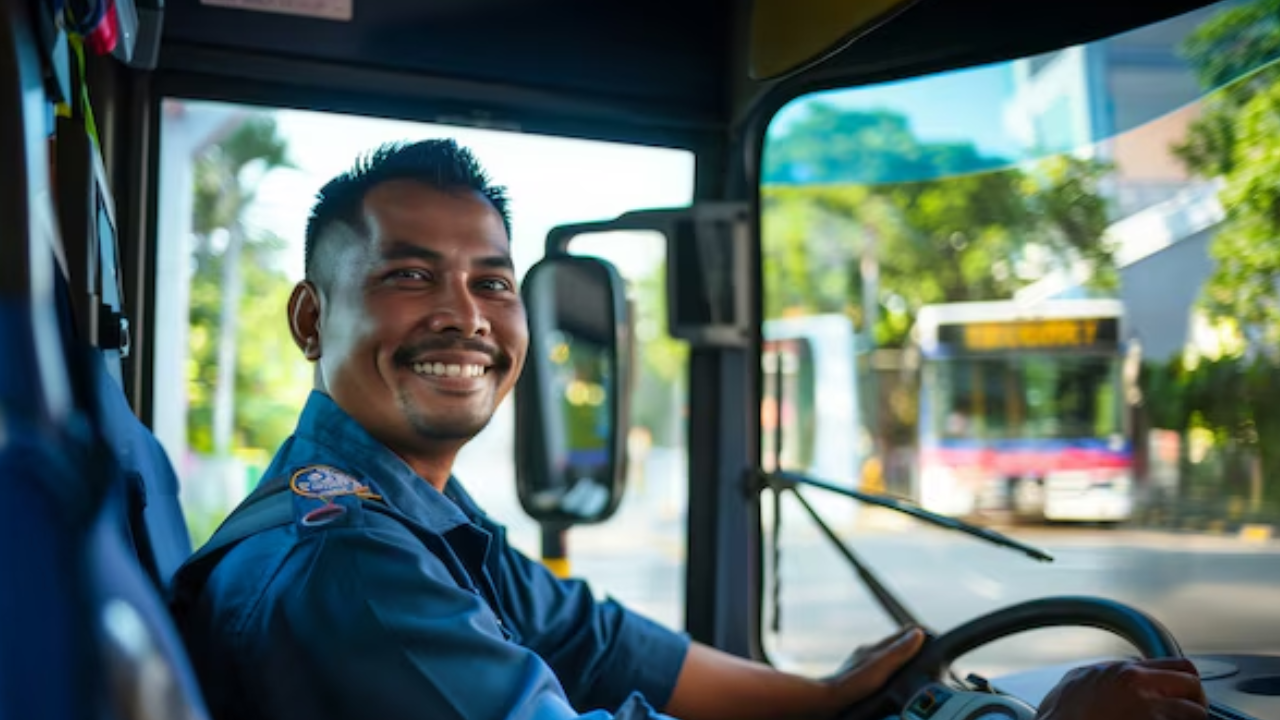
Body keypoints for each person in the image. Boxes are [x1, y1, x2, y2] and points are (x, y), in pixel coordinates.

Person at [170, 139, 1209, 720]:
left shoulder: (415, 512)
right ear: (312, 318)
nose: (466, 317)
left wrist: (825, 700)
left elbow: (594, 640)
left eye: (492, 281)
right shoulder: (346, 566)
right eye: (408, 277)